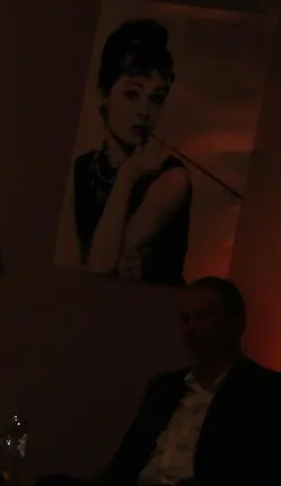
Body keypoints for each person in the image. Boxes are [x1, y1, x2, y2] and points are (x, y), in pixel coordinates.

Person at [33, 278, 281, 486]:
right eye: (185, 319)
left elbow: (260, 470)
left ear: (235, 322)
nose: (192, 328)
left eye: (203, 317)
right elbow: (126, 459)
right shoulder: (164, 388)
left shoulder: (264, 388)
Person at [56, 18, 192, 285]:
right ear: (104, 94)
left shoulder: (173, 179)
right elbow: (68, 265)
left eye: (156, 98)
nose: (144, 112)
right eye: (132, 95)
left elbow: (99, 267)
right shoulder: (81, 168)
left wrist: (127, 175)